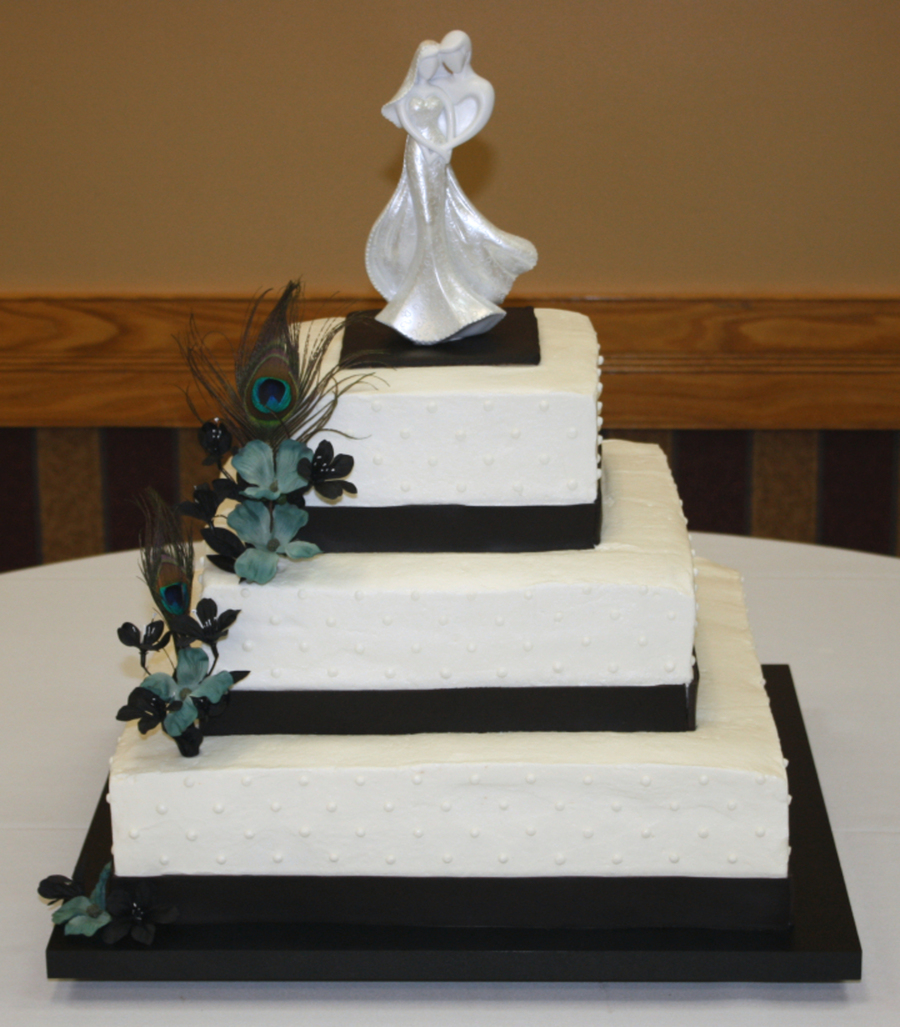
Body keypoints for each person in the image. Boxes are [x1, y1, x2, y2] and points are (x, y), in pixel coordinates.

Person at [366, 31, 537, 345]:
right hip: (420, 154)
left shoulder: (441, 92)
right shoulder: (408, 96)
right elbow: (412, 127)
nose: (432, 69)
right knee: (426, 218)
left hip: (439, 156)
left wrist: (448, 146)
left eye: (436, 63)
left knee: (440, 213)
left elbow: (458, 123)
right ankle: (423, 295)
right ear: (417, 64)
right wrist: (436, 145)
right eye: (427, 63)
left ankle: (449, 293)